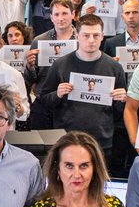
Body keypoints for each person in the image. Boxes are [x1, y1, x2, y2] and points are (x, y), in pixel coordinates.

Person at [34, 14, 127, 162]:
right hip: (67, 140)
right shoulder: (60, 65)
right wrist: (57, 94)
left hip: (101, 142)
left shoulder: (114, 67)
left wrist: (123, 100)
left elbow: (120, 113)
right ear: (77, 35)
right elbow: (44, 101)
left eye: (96, 35)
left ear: (103, 36)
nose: (91, 40)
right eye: (86, 35)